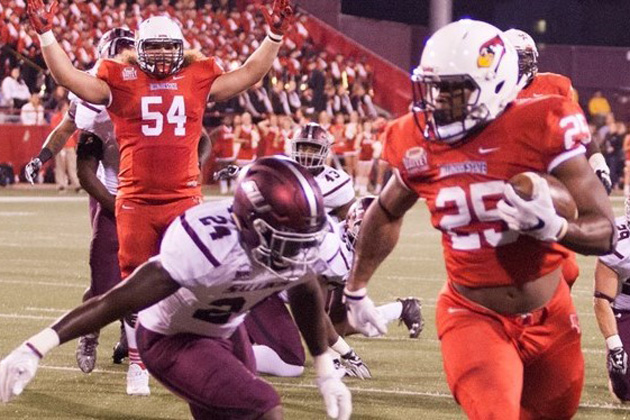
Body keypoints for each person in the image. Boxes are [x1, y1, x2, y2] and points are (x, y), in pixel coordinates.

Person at [344, 19, 615, 419]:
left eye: (454, 89)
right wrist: (355, 288)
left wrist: (556, 228)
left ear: (496, 84)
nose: (437, 103)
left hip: (550, 315)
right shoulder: (418, 139)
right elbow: (385, 210)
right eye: (433, 89)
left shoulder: (541, 122)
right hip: (472, 314)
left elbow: (604, 230)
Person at [26, 0, 294, 396]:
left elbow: (250, 74)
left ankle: (212, 351)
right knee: (134, 288)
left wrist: (274, 37)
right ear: (140, 49)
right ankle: (138, 365)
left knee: (203, 282)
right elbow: (69, 78)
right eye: (155, 47)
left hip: (184, 200)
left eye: (170, 47)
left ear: (181, 48)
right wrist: (45, 34)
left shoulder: (198, 74)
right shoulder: (118, 76)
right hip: (134, 200)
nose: (163, 55)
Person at [0, 157, 352, 420]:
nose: (297, 251)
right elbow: (114, 302)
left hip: (227, 331)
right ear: (248, 223)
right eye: (285, 240)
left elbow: (306, 288)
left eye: (303, 240)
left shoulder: (300, 243)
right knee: (262, 406)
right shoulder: (206, 245)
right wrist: (35, 347)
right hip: (172, 339)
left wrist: (324, 367)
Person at [24, 27, 136, 375]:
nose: (126, 66)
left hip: (145, 195)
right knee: (105, 279)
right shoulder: (94, 96)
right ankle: (90, 332)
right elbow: (72, 141)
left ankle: (128, 335)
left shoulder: (153, 89)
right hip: (108, 190)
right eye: (119, 59)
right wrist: (42, 156)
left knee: (143, 276)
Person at [505, 28, 613, 195]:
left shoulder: (555, 85)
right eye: (515, 58)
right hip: (509, 166)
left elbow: (580, 132)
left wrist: (599, 164)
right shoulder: (494, 92)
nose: (520, 64)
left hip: (555, 165)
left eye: (524, 58)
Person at [593, 195, 630, 402]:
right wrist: (615, 345)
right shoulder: (618, 241)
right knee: (624, 390)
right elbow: (602, 299)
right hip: (626, 309)